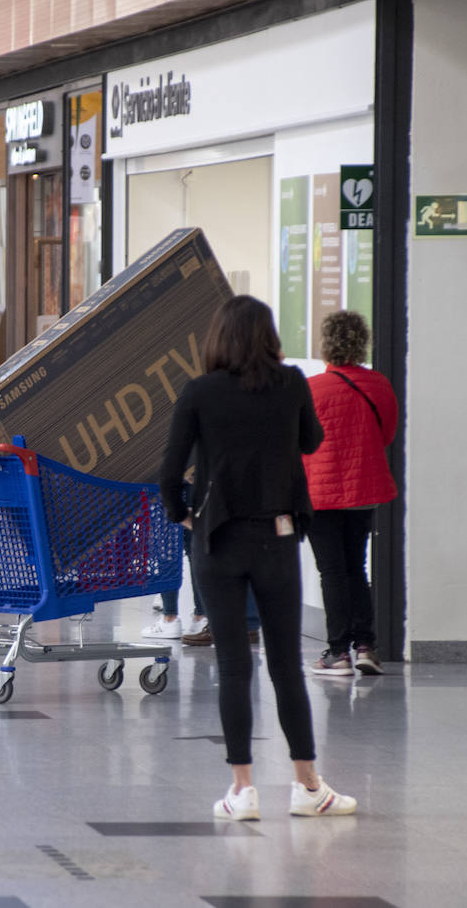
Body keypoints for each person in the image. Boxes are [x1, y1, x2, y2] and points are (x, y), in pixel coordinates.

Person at [159, 295, 355, 821]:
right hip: (277, 536)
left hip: (217, 539)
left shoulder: (199, 391)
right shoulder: (290, 383)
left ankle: (242, 790)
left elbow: (168, 471)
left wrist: (185, 515)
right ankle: (307, 785)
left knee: (233, 665)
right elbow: (311, 441)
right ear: (267, 335)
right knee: (287, 664)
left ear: (219, 337)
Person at [301, 311, 398, 677]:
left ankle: (337, 652)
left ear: (326, 344)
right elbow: (386, 436)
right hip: (362, 490)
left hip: (321, 494)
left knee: (332, 572)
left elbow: (301, 443)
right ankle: (366, 647)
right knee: (356, 567)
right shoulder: (380, 385)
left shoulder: (312, 389)